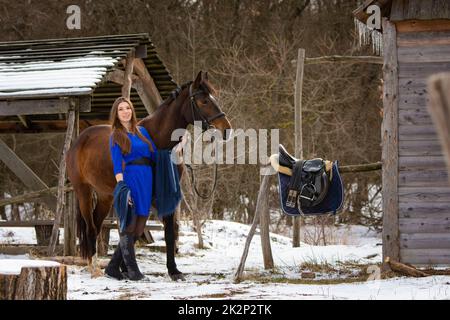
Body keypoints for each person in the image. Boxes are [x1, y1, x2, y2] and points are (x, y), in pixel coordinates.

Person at [104, 96, 156, 281]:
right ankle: (133, 271)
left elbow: (155, 154)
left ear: (132, 110)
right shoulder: (115, 136)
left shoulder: (142, 132)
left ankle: (112, 267)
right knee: (129, 225)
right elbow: (117, 166)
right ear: (116, 114)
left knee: (139, 227)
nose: (125, 111)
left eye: (128, 108)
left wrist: (177, 147)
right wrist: (122, 188)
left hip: (147, 180)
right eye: (121, 109)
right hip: (131, 180)